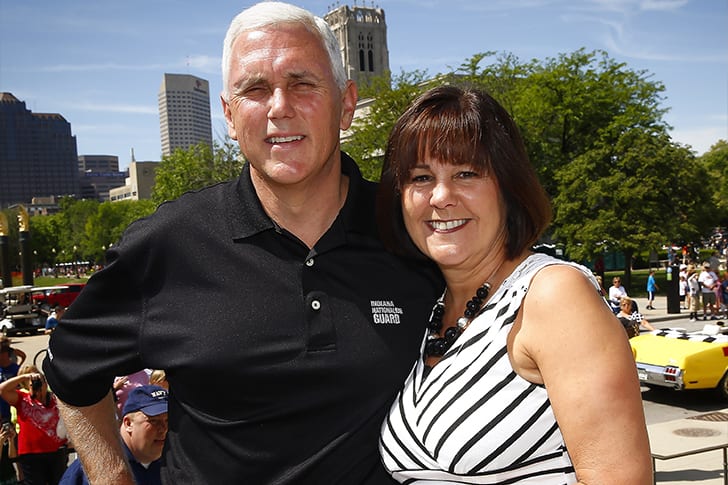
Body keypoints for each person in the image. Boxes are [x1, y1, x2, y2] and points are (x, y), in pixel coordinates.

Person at [42, 3, 441, 484]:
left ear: (346, 104)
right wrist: (111, 477)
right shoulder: (168, 243)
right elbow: (70, 369)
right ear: (230, 117)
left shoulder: (414, 231)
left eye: (303, 83)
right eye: (255, 89)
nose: (279, 107)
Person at [377, 85, 651, 483]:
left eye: (466, 173)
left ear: (507, 186)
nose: (441, 197)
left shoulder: (553, 295)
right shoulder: (435, 308)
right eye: (421, 177)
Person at [60, 385, 169, 485]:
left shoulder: (171, 462)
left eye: (168, 420)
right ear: (128, 423)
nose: (164, 429)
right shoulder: (92, 469)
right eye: (154, 421)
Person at [0, 365, 68, 485]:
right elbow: (2, 390)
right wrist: (24, 377)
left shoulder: (55, 399)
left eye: (41, 381)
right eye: (32, 383)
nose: (38, 385)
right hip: (30, 454)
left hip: (56, 451)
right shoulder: (22, 399)